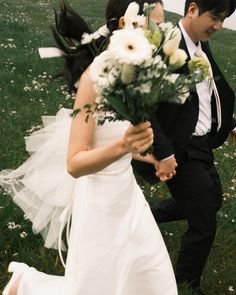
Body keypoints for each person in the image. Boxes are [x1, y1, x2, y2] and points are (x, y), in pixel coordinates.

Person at [0, 1, 178, 294]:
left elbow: (115, 140)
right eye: (154, 26)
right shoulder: (93, 78)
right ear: (126, 24)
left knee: (152, 277)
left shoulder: (132, 75)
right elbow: (75, 163)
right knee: (93, 288)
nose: (158, 35)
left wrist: (148, 157)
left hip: (128, 197)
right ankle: (27, 283)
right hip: (99, 204)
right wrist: (123, 145)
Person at [132, 0, 236, 294]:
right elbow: (144, 106)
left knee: (213, 200)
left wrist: (230, 125)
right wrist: (163, 151)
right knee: (204, 223)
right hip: (179, 146)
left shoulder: (200, 44)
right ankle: (186, 283)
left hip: (202, 144)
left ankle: (145, 216)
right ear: (192, 9)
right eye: (214, 17)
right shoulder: (167, 46)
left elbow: (208, 94)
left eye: (223, 20)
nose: (218, 25)